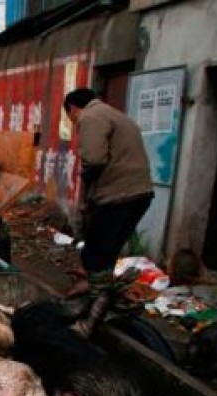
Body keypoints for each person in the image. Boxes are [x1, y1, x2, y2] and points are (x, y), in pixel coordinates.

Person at [62, 88, 154, 297]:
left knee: (96, 249)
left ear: (74, 108)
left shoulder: (90, 117)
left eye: (70, 117)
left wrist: (87, 190)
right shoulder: (119, 116)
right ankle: (98, 284)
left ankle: (95, 299)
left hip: (118, 195)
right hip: (141, 194)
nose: (74, 122)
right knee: (109, 247)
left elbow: (94, 160)